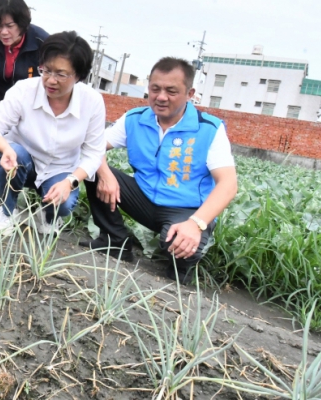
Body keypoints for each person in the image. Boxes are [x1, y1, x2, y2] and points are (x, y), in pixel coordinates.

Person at [81, 57, 238, 283]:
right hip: (143, 199)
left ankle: (180, 273)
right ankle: (115, 242)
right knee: (93, 170)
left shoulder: (208, 129)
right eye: (155, 89)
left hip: (185, 210)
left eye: (171, 91)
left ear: (190, 93)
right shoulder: (135, 119)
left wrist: (196, 224)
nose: (161, 97)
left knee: (180, 248)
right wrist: (105, 174)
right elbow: (93, 145)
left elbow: (228, 184)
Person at [0, 32, 106, 235]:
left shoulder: (92, 102)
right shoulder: (24, 90)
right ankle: (6, 211)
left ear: (78, 76)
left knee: (63, 206)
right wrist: (5, 148)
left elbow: (94, 154)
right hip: (22, 163)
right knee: (15, 153)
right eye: (46, 70)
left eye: (61, 74)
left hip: (60, 170)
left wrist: (70, 182)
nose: (50, 80)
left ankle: (47, 216)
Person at [0, 0, 49, 210]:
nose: (3, 32)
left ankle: (32, 196)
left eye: (9, 25)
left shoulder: (42, 42)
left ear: (22, 24)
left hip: (33, 105)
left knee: (23, 147)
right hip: (2, 99)